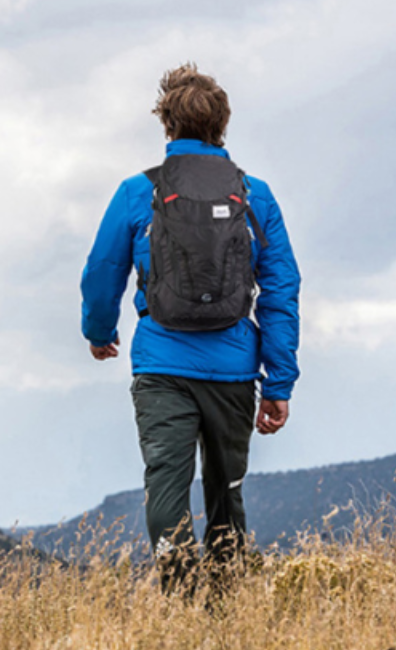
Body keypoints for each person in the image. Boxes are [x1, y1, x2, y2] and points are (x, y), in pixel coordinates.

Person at [81, 63, 300, 592]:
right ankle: (222, 609)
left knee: (166, 489)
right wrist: (278, 382)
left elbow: (102, 271)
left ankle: (182, 602)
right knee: (226, 492)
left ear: (167, 126)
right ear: (222, 127)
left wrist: (99, 331)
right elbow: (281, 289)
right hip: (233, 369)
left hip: (161, 367)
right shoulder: (255, 195)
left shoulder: (138, 193)